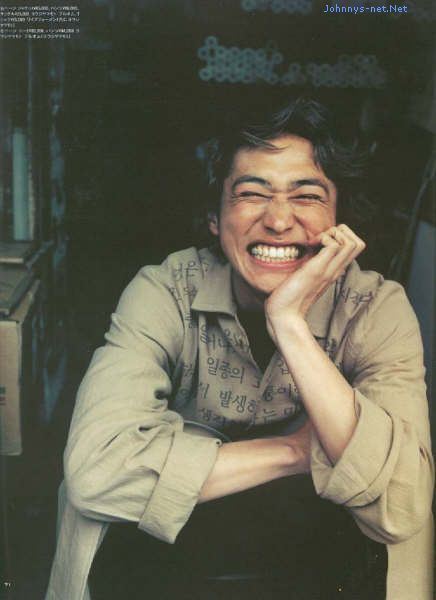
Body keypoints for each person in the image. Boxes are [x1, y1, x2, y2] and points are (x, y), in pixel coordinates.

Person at [46, 98, 434, 600]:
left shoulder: (376, 307)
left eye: (307, 196)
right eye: (252, 193)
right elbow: (95, 476)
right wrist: (297, 450)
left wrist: (288, 323)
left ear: (339, 219)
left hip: (319, 557)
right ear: (214, 216)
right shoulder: (166, 289)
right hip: (173, 554)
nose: (279, 220)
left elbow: (402, 504)